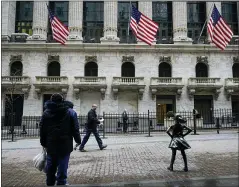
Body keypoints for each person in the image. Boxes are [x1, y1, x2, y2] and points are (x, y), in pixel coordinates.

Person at [40, 93, 81, 186]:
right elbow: (75, 128)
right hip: (65, 143)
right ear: (62, 100)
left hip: (51, 143)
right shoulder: (70, 112)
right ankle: (61, 182)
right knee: (63, 164)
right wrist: (78, 141)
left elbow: (42, 129)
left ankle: (50, 182)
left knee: (51, 164)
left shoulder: (46, 112)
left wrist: (43, 143)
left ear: (51, 100)